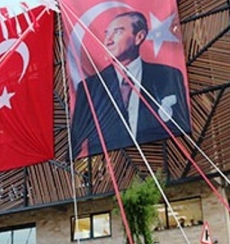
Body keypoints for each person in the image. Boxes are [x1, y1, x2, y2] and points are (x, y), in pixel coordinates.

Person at [70, 11, 190, 158]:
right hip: (116, 164)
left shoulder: (167, 76)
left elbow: (179, 126)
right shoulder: (90, 88)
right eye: (106, 34)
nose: (108, 41)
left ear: (139, 37)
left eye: (117, 32)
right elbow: (77, 143)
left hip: (163, 158)